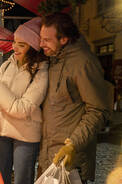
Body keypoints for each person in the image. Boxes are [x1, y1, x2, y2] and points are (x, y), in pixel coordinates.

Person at [38, 12, 111, 183]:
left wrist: (73, 145)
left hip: (69, 160)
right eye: (41, 39)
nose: (41, 44)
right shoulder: (54, 59)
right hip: (49, 157)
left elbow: (98, 110)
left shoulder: (83, 63)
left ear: (63, 39)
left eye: (46, 40)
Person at [0, 17, 48, 184]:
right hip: (3, 131)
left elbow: (22, 109)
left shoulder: (41, 71)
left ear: (33, 47)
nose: (14, 48)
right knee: (0, 177)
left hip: (25, 136)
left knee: (22, 180)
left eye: (22, 45)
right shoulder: (7, 65)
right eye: (15, 42)